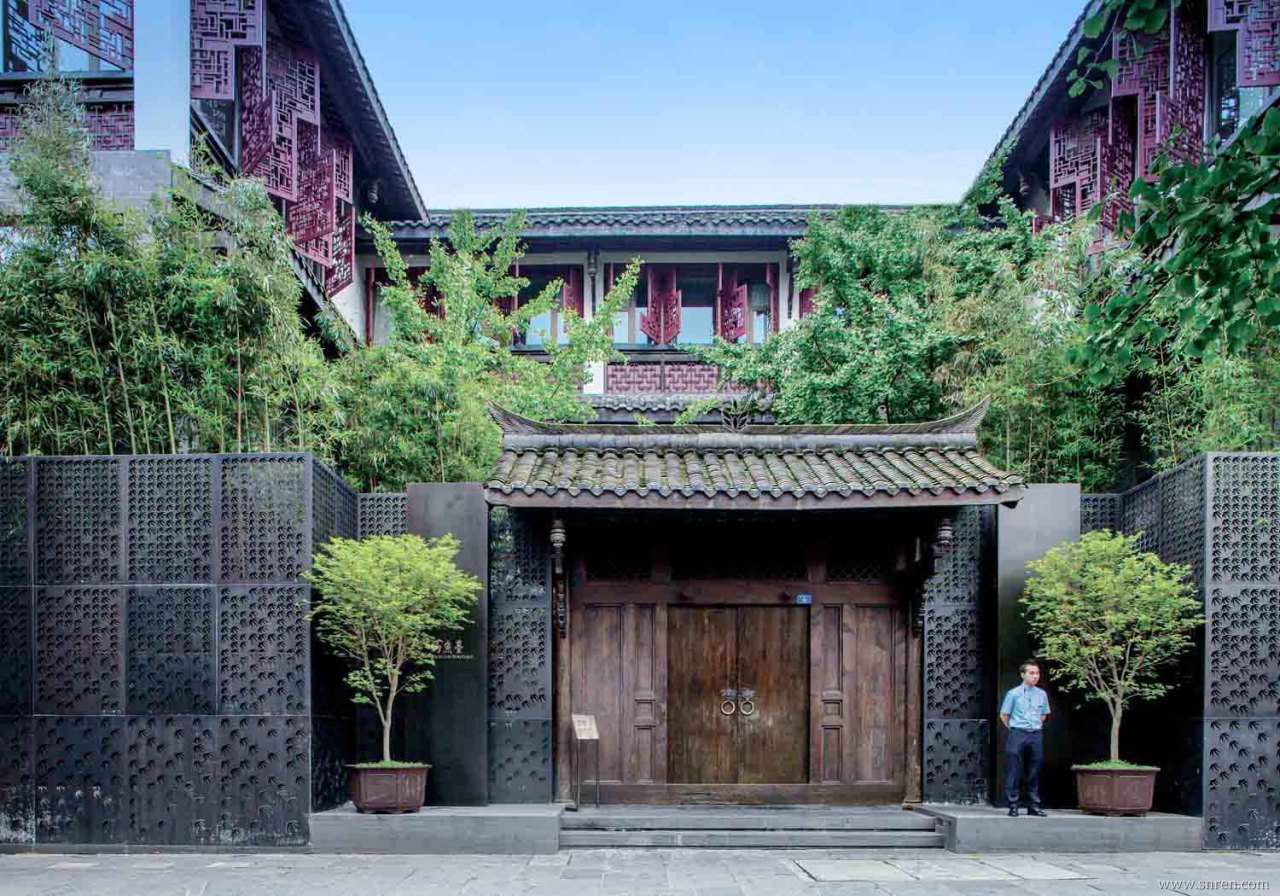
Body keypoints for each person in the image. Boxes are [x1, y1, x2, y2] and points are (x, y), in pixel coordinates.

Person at [1000, 659, 1050, 817]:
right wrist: (1014, 728)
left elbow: (1044, 714)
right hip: (1018, 733)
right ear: (1023, 675)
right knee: (1014, 770)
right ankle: (1013, 804)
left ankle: (1033, 805)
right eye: (1031, 673)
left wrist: (1034, 726)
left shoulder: (1041, 694)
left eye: (1037, 673)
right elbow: (1004, 715)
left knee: (1034, 770)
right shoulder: (1013, 694)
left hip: (1035, 734)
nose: (1035, 676)